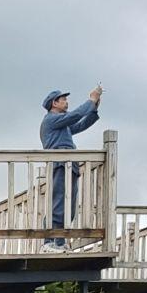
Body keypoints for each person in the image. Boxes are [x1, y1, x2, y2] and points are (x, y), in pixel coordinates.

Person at [39, 86, 102, 247]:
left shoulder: (62, 123)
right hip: (60, 163)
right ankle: (50, 242)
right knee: (58, 203)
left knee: (69, 205)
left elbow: (80, 124)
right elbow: (76, 115)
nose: (67, 102)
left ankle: (59, 241)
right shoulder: (51, 120)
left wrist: (94, 108)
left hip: (70, 164)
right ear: (54, 103)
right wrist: (91, 100)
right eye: (64, 100)